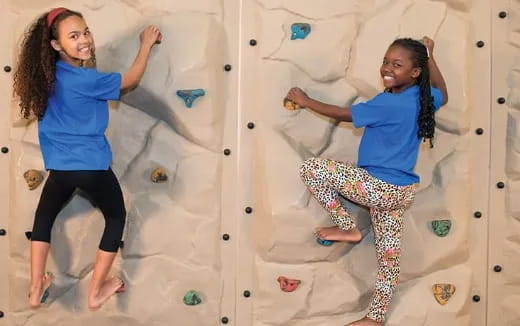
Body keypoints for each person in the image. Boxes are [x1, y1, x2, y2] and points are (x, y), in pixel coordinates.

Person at [285, 37, 448, 325]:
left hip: (378, 187)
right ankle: (374, 319)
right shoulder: (424, 99)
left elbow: (345, 114)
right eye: (386, 61)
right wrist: (430, 55)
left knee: (313, 168)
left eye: (397, 65)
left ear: (414, 72)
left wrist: (305, 101)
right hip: (401, 192)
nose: (387, 68)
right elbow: (443, 93)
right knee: (389, 260)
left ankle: (348, 228)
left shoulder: (389, 102)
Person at [13, 7, 162, 310]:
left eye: (85, 32)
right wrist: (145, 44)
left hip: (60, 167)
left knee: (43, 219)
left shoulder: (46, 77)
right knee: (116, 217)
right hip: (92, 167)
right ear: (56, 45)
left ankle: (35, 286)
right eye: (74, 36)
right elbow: (130, 79)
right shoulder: (85, 79)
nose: (85, 40)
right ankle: (96, 291)